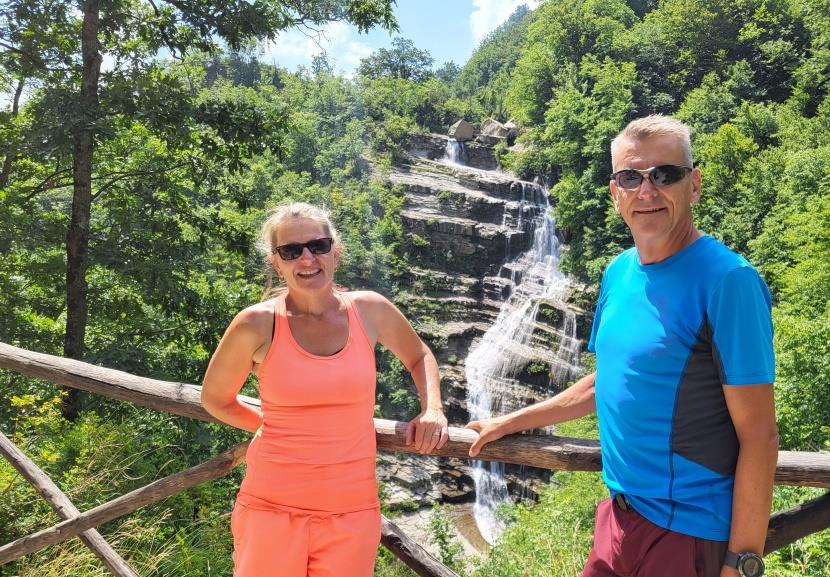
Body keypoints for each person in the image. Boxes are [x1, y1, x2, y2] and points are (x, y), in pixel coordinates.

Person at [467, 115, 778, 577]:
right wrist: (509, 421)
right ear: (616, 193)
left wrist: (742, 562)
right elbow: (609, 381)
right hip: (618, 517)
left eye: (665, 174)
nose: (647, 190)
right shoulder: (617, 272)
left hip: (689, 532)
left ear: (693, 185)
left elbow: (760, 436)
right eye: (631, 177)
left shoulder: (728, 281)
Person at [201, 202, 448, 577]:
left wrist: (432, 410)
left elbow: (419, 355)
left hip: (352, 509)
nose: (307, 258)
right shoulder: (257, 323)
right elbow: (215, 399)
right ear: (276, 262)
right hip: (272, 507)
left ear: (336, 251)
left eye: (317, 245)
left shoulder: (370, 310)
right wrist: (269, 425)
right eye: (291, 250)